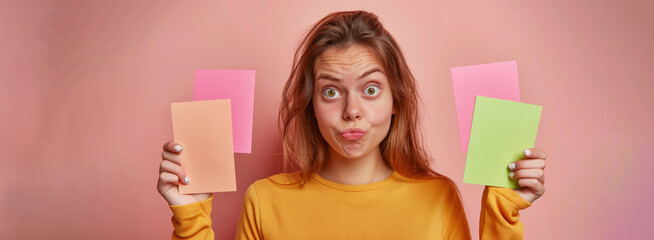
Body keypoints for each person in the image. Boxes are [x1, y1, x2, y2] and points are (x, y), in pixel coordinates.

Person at [157, 10, 547, 240]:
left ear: (396, 101)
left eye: (371, 89)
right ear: (311, 106)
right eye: (331, 92)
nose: (351, 111)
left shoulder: (438, 198)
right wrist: (190, 219)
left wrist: (502, 213)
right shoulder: (264, 200)